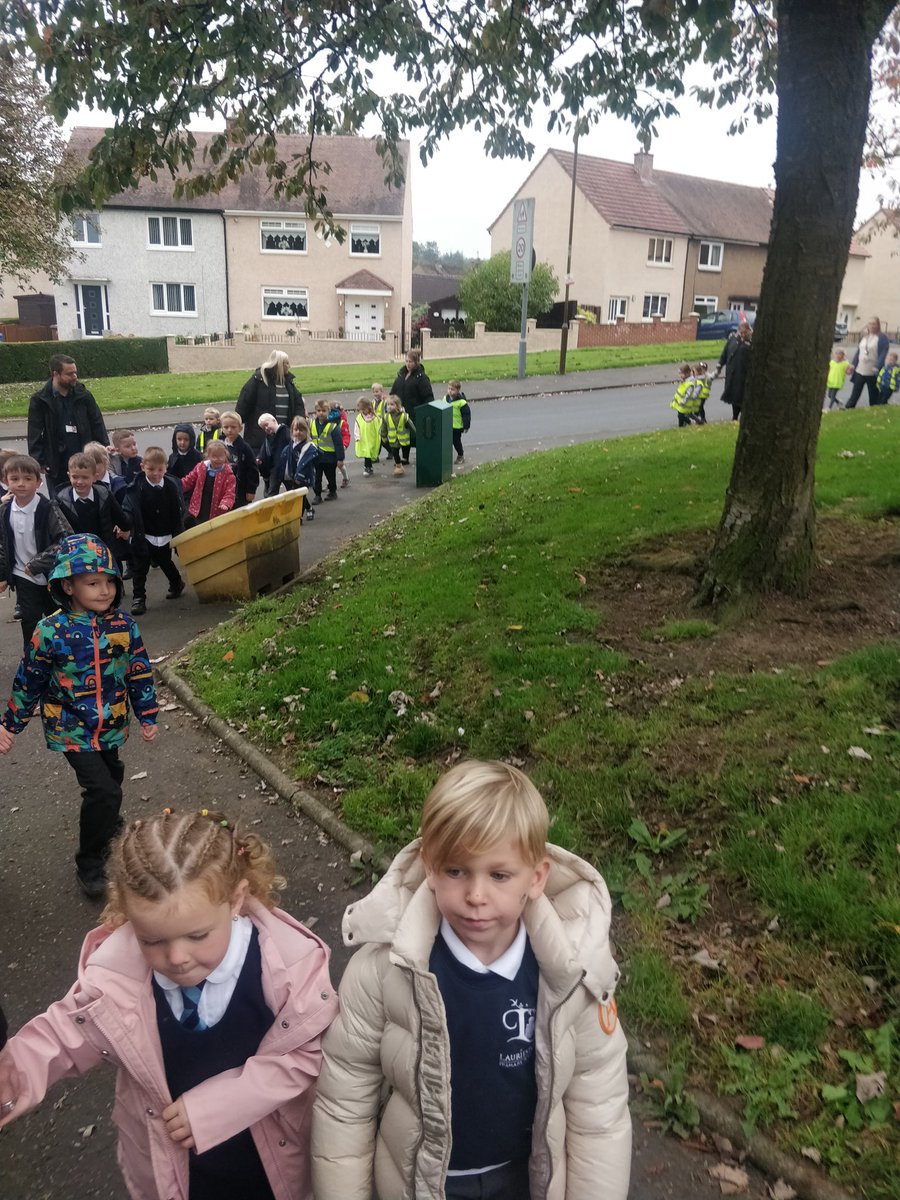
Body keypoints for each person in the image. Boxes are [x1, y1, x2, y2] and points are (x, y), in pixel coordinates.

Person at [311, 759, 631, 1200]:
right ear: (429, 865)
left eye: (499, 875)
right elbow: (344, 1099)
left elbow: (601, 1109)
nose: (476, 896)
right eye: (456, 871)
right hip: (419, 1183)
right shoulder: (385, 969)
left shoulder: (573, 973)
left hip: (525, 1180)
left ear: (536, 878)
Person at [0, 808, 339, 1200]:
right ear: (129, 919)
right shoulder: (116, 976)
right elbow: (64, 1034)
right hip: (168, 1167)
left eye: (197, 935)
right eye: (152, 940)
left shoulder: (289, 966)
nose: (177, 958)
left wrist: (223, 1104)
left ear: (235, 899)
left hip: (271, 1159)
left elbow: (307, 1053)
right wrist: (15, 1070)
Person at [0, 534, 158, 896]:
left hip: (112, 723)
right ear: (68, 586)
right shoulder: (50, 631)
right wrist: (10, 725)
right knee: (102, 790)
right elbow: (30, 680)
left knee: (112, 778)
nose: (104, 591)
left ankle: (108, 821)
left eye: (109, 582)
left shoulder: (123, 626)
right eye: (92, 583)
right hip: (70, 727)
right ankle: (90, 862)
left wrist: (147, 714)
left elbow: (139, 670)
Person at [0, 454, 72, 647]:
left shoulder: (47, 507)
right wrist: (3, 574)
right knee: (29, 618)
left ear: (39, 482)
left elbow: (65, 539)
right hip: (23, 575)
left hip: (50, 573)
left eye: (28, 479)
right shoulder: (5, 510)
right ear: (5, 481)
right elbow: (3, 544)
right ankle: (31, 657)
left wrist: (37, 563)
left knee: (57, 615)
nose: (21, 484)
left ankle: (63, 651)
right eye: (15, 479)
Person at [27, 354, 109, 492]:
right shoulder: (40, 400)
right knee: (60, 504)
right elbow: (34, 431)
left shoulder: (84, 395)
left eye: (75, 372)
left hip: (84, 458)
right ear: (56, 374)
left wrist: (104, 447)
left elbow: (97, 422)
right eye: (69, 373)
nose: (75, 376)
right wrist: (39, 460)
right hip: (57, 463)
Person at [129, 446, 186, 616]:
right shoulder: (137, 487)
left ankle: (176, 583)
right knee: (140, 567)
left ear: (166, 467)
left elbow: (177, 512)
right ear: (143, 467)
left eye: (160, 469)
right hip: (144, 533)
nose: (155, 473)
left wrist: (178, 534)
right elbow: (130, 508)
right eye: (150, 469)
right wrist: (127, 525)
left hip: (164, 533)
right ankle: (139, 598)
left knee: (165, 562)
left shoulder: (170, 486)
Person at [55, 451, 132, 558]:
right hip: (77, 553)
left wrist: (126, 528)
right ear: (69, 476)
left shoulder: (104, 494)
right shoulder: (61, 500)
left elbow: (119, 516)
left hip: (105, 549)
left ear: (95, 477)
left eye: (85, 477)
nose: (80, 481)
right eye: (75, 477)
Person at [236, 350, 306, 452]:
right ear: (278, 364)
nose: (289, 366)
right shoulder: (258, 380)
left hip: (283, 438)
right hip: (259, 440)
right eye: (286, 363)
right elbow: (243, 405)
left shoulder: (289, 384)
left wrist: (300, 424)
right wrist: (233, 427)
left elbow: (298, 405)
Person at [391, 349, 434, 461]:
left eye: (411, 362)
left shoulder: (421, 378)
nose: (408, 364)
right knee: (404, 435)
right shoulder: (401, 375)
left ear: (416, 362)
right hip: (401, 412)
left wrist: (425, 412)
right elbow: (394, 392)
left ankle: (424, 456)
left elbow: (428, 397)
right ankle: (405, 457)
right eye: (406, 361)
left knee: (416, 436)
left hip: (415, 412)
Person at [182, 441, 236, 527]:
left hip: (217, 509)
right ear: (208, 456)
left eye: (221, 456)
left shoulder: (228, 475)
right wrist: (177, 486)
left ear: (225, 456)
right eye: (214, 456)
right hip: (199, 506)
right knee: (196, 526)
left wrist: (225, 503)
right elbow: (189, 480)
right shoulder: (200, 467)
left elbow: (230, 493)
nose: (217, 459)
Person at [276, 416, 318, 519]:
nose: (298, 432)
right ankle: (309, 508)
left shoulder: (309, 447)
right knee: (298, 496)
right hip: (292, 474)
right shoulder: (291, 445)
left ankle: (298, 517)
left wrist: (300, 476)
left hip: (304, 476)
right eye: (296, 430)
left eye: (301, 430)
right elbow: (284, 459)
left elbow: (307, 461)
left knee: (299, 496)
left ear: (307, 431)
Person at [845, 317, 890, 409]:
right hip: (860, 370)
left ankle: (874, 411)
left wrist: (877, 366)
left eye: (874, 324)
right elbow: (859, 352)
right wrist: (853, 365)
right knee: (855, 394)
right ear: (867, 325)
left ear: (878, 325)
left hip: (873, 372)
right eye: (870, 324)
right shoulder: (865, 337)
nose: (872, 326)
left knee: (873, 396)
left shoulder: (882, 338)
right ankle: (848, 409)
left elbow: (883, 353)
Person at [219, 411, 261, 506]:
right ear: (222, 428)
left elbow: (253, 469)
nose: (229, 430)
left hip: (239, 489)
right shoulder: (219, 444)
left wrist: (251, 490)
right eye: (226, 427)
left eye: (233, 427)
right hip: (222, 486)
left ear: (240, 428)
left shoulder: (244, 448)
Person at [715, 320, 752, 421]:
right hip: (732, 374)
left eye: (745, 332)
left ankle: (743, 418)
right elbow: (725, 353)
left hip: (743, 375)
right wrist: (719, 366)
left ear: (749, 331)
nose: (743, 335)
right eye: (741, 332)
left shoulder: (751, 342)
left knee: (742, 397)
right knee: (733, 397)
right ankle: (735, 416)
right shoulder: (733, 339)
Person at [309, 400, 344, 503]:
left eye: (323, 411)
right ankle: (317, 495)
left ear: (328, 411)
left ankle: (332, 492)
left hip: (330, 457)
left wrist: (340, 458)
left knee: (330, 477)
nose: (321, 413)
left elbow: (338, 444)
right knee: (317, 478)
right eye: (318, 410)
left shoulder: (333, 426)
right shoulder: (312, 424)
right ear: (315, 411)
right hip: (316, 457)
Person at [257, 413, 290, 497]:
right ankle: (270, 509)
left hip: (286, 467)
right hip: (275, 468)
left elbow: (292, 445)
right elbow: (264, 450)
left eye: (267, 425)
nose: (266, 428)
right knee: (271, 492)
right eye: (263, 428)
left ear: (274, 420)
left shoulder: (285, 431)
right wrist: (259, 458)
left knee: (293, 490)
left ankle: (306, 506)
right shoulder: (268, 437)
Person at [382, 393, 414, 477]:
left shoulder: (403, 416)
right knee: (395, 452)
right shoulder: (386, 417)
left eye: (392, 404)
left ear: (397, 405)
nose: (389, 406)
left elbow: (411, 425)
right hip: (393, 439)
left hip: (403, 439)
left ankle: (404, 461)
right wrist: (384, 437)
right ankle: (398, 466)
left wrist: (415, 434)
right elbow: (383, 428)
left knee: (405, 450)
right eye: (388, 404)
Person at [443, 379, 472, 463]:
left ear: (457, 390)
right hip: (447, 425)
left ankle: (460, 455)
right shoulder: (445, 398)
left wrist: (466, 426)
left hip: (456, 426)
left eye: (452, 389)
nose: (450, 391)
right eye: (449, 389)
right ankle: (446, 456)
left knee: (456, 442)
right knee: (446, 442)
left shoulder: (461, 402)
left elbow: (466, 415)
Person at [353, 397, 382, 476]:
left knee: (373, 451)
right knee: (367, 453)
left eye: (363, 409)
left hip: (373, 438)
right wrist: (357, 436)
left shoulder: (374, 417)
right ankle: (368, 467)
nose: (361, 411)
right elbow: (357, 427)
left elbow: (379, 425)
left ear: (368, 408)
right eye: (360, 409)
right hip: (364, 439)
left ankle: (372, 463)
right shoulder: (359, 417)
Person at [327, 403, 352, 488]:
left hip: (339, 447)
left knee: (340, 464)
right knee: (329, 467)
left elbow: (346, 435)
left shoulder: (342, 423)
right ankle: (330, 483)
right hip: (329, 447)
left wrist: (344, 445)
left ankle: (346, 478)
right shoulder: (327, 422)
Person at [670, 363, 698, 428]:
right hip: (681, 402)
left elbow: (688, 394)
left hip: (685, 402)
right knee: (681, 415)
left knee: (680, 415)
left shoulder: (690, 383)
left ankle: (691, 422)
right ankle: (681, 427)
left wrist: (683, 401)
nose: (680, 375)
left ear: (687, 373)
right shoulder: (685, 381)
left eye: (681, 374)